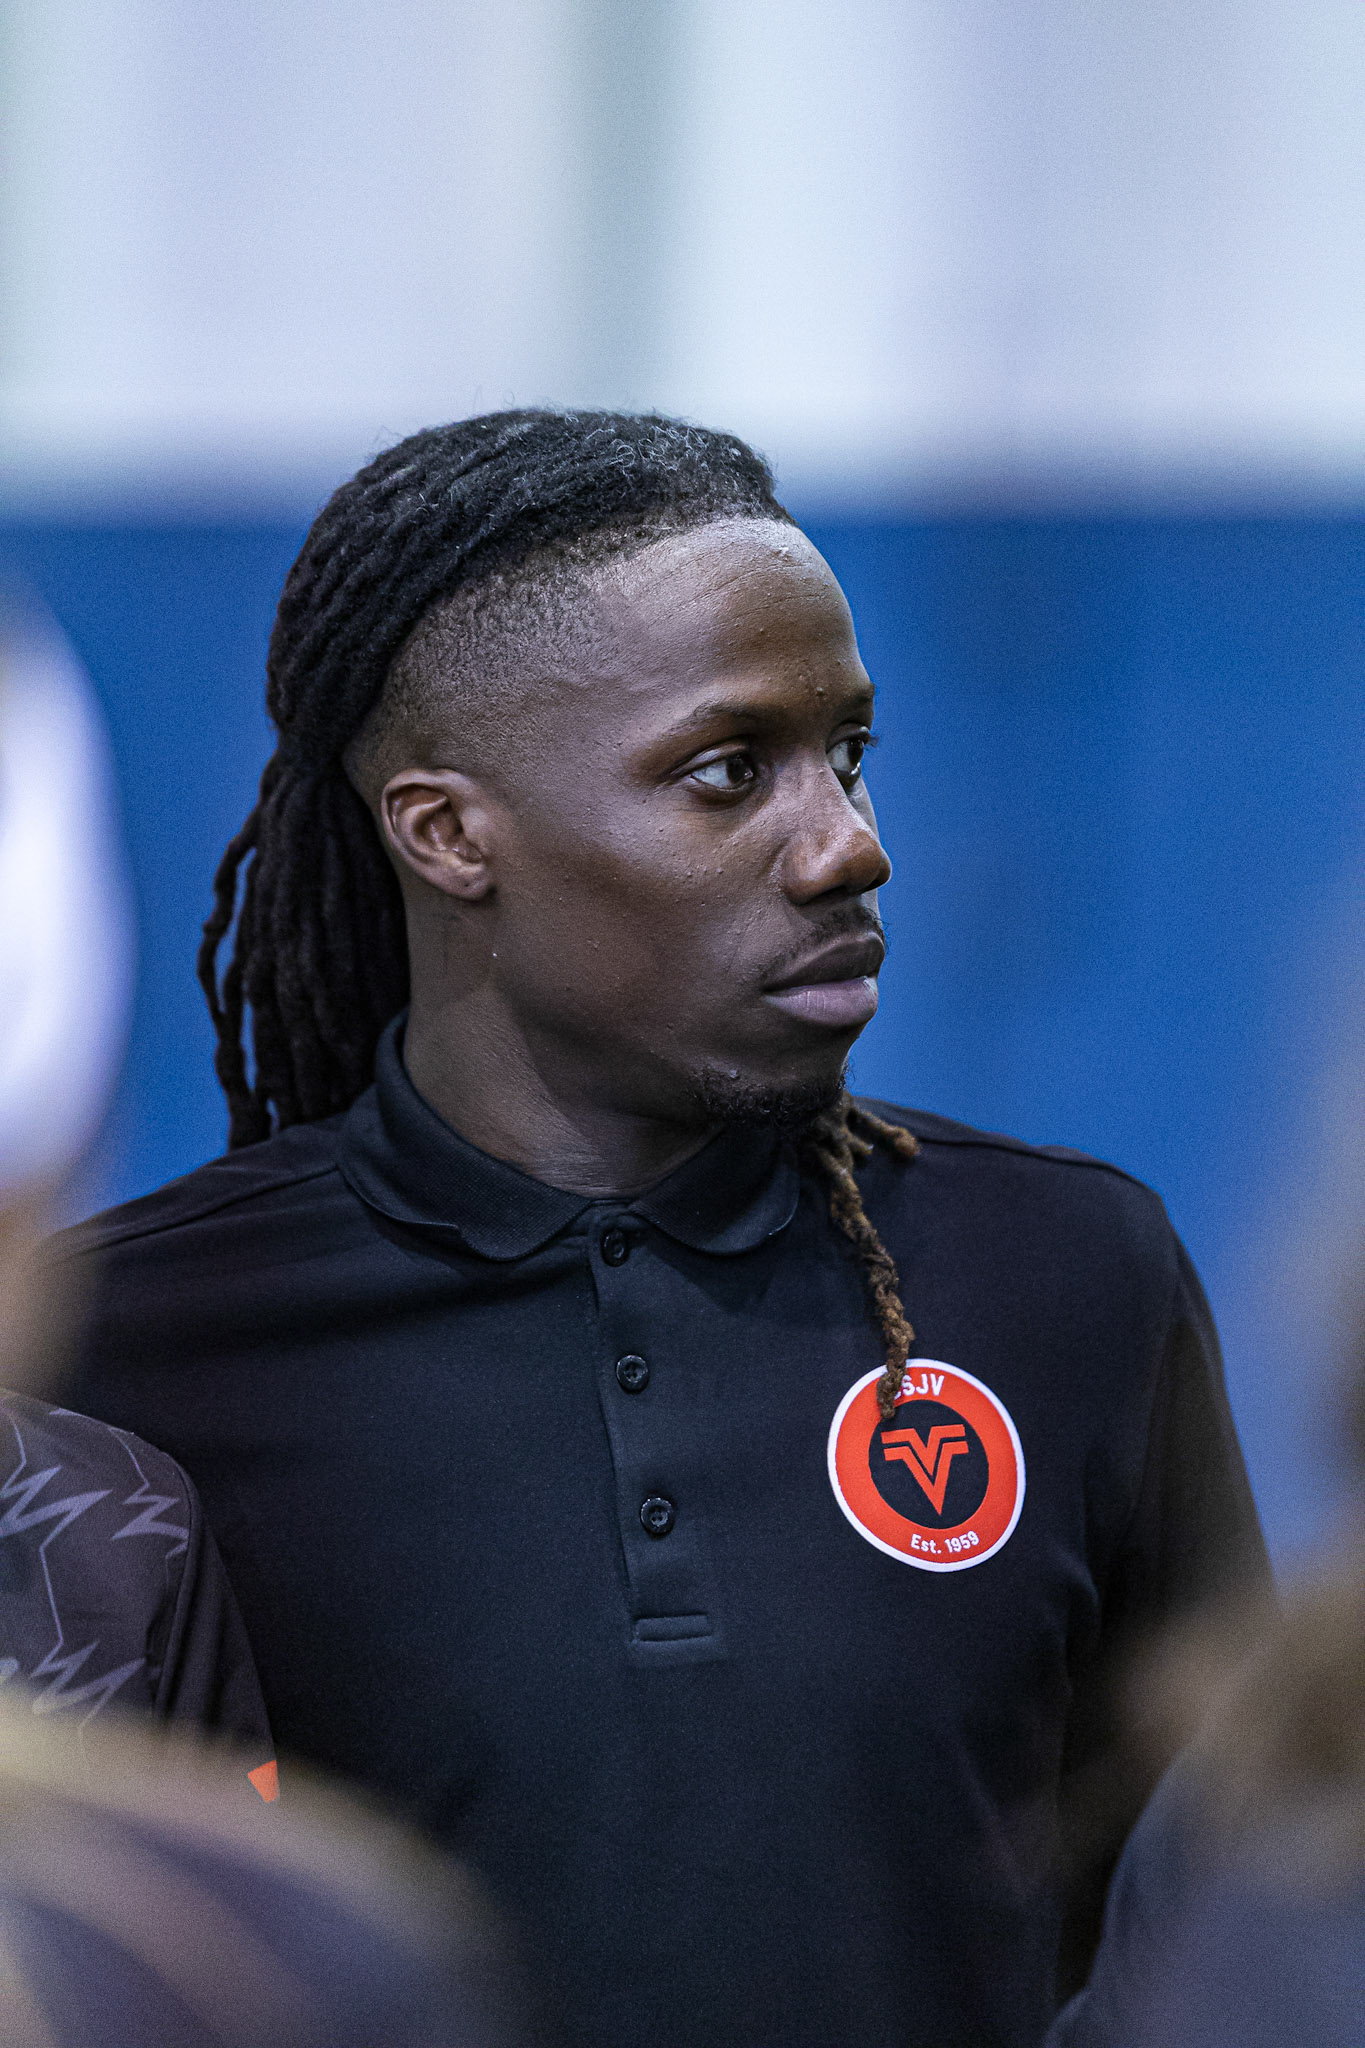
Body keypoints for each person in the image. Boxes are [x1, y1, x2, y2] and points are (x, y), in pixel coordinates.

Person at [54, 410, 1268, 2048]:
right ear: (447, 833)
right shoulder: (128, 1353)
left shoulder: (1068, 1273)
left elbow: (1232, 1919)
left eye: (847, 752)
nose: (847, 842)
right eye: (727, 772)